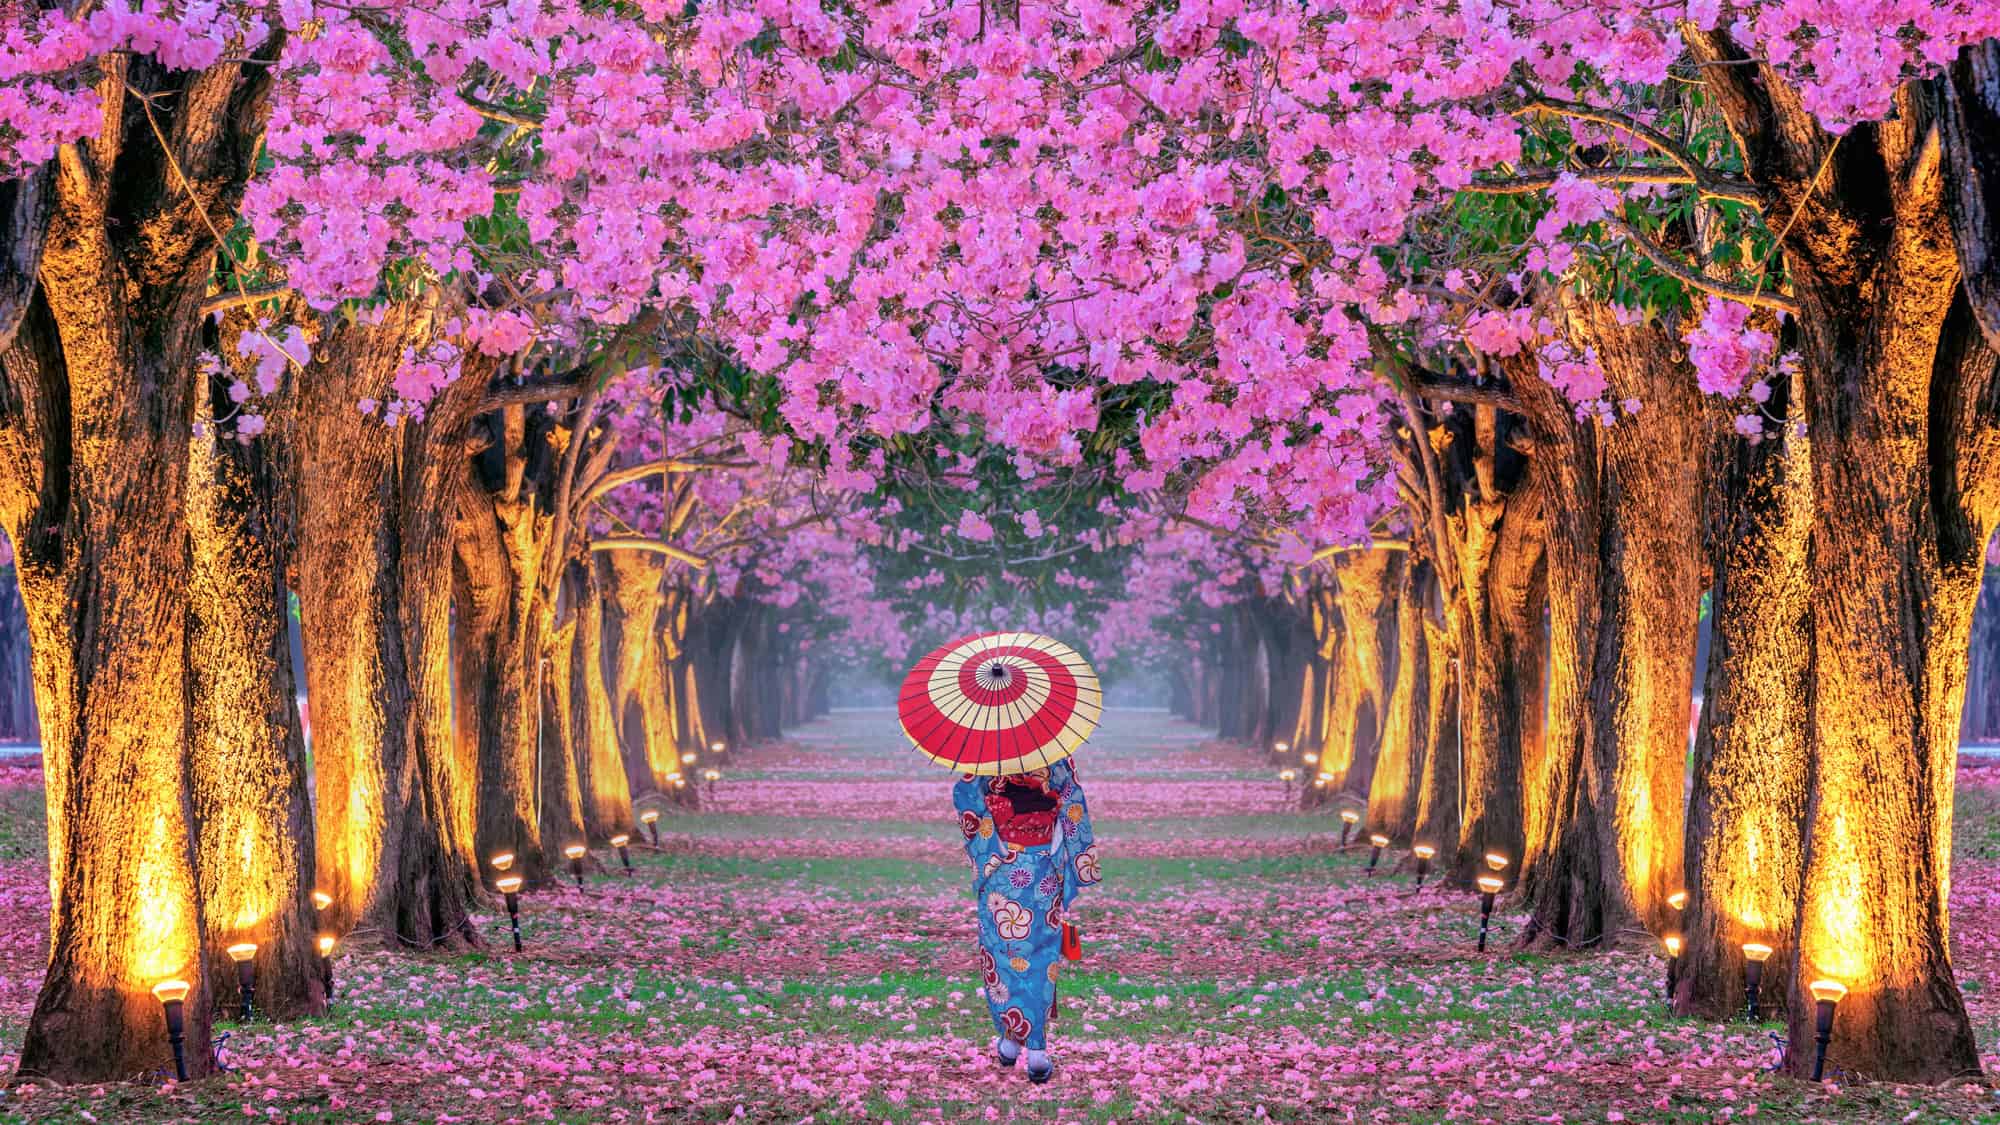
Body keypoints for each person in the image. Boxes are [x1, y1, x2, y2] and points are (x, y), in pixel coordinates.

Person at [952, 759, 1099, 1083]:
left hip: (1002, 865)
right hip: (1045, 862)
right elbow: (1072, 800)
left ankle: (1027, 1046)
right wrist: (1060, 840)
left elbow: (966, 799)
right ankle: (1023, 1046)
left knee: (1004, 955)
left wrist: (996, 841)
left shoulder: (982, 755)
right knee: (1039, 956)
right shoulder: (1056, 750)